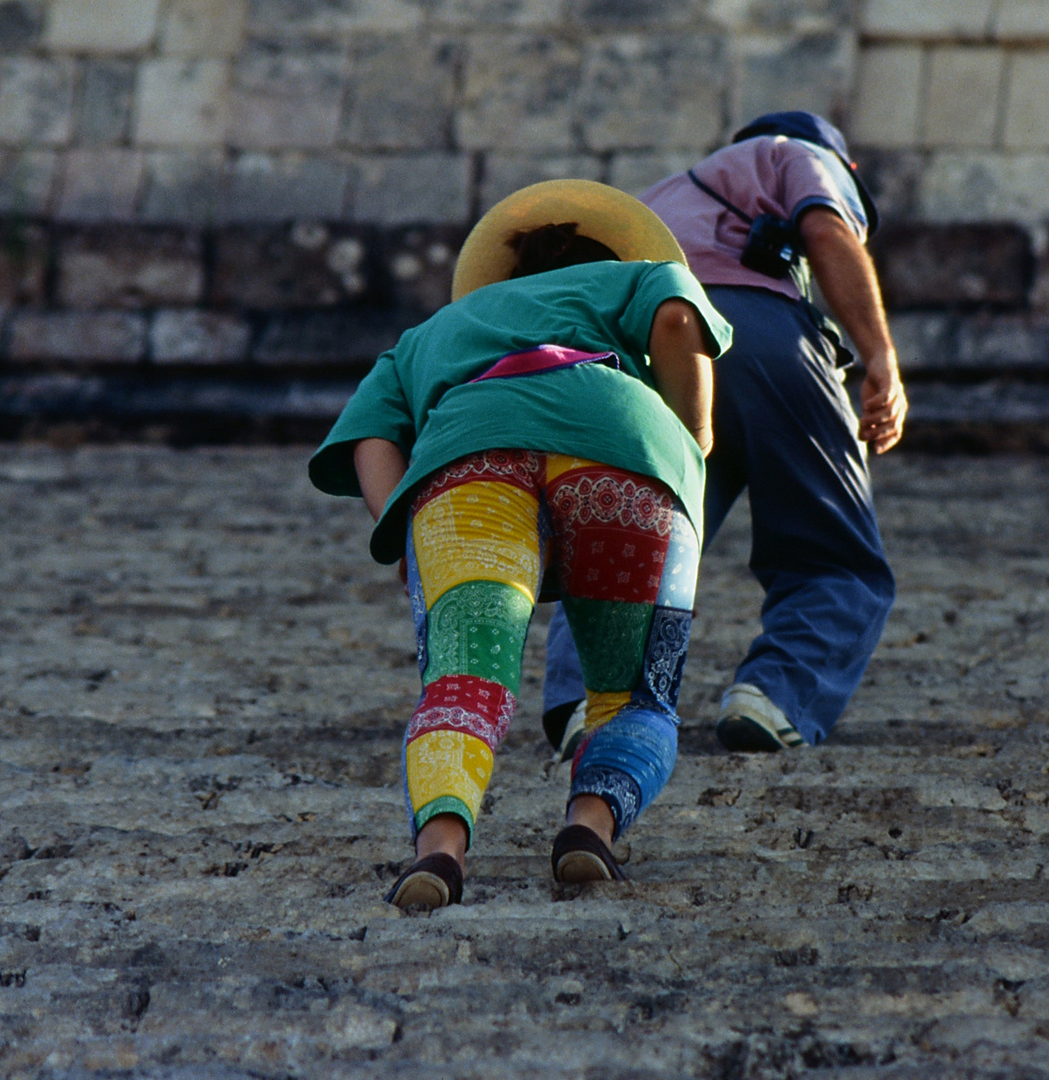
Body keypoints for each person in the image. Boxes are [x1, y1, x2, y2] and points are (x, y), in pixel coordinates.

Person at [308, 180, 733, 910]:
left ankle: (439, 851)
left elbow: (369, 437)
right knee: (633, 691)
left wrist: (404, 528)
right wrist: (692, 441)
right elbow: (672, 316)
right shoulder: (633, 276)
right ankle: (588, 830)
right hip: (623, 454)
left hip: (469, 459)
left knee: (463, 679)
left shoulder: (430, 333)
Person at [543, 111, 906, 755]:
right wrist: (878, 355)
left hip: (645, 351)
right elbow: (825, 228)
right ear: (844, 167)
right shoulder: (792, 152)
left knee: (629, 530)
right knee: (834, 555)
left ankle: (595, 701)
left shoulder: (655, 197)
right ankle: (774, 695)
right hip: (758, 332)